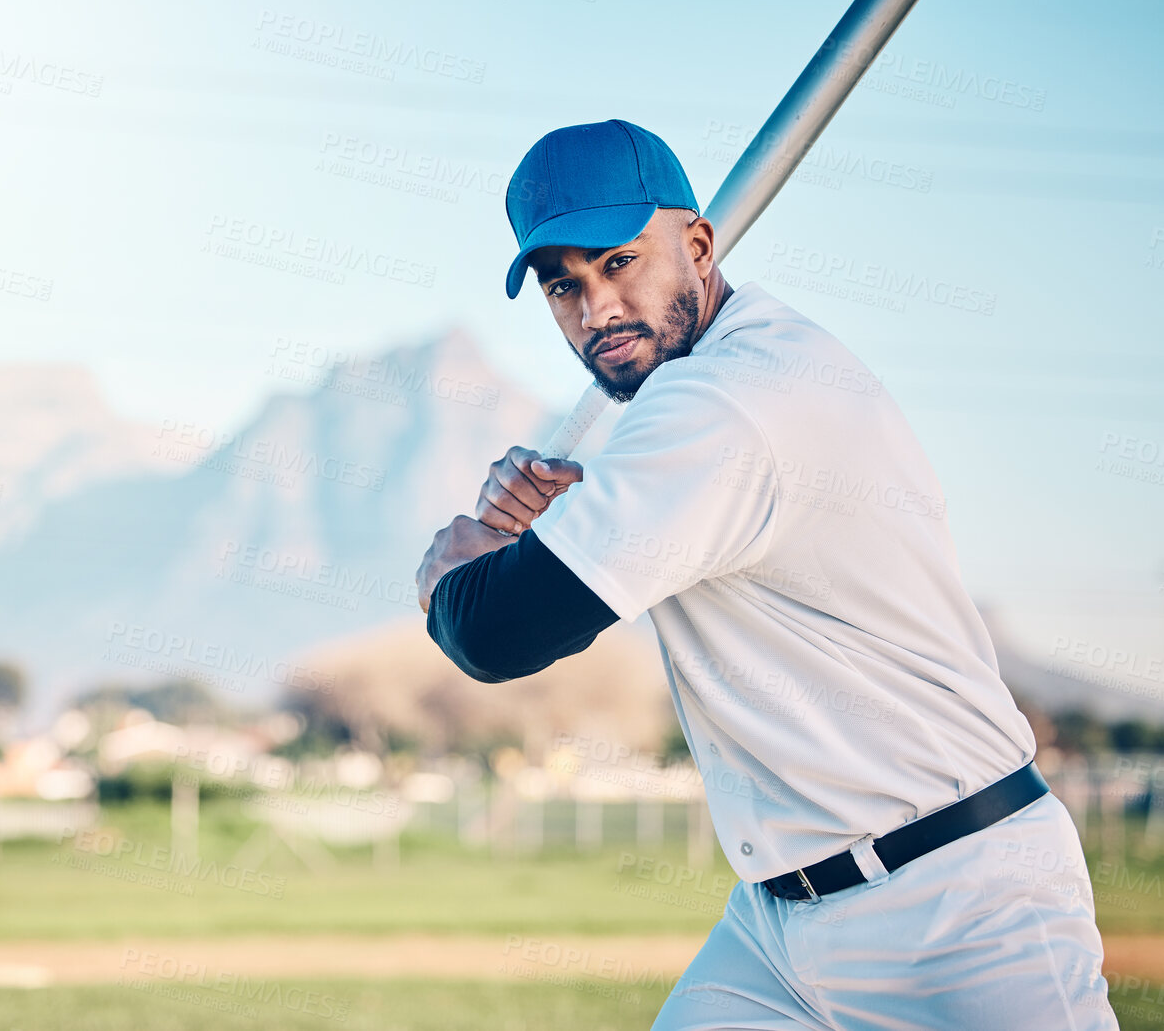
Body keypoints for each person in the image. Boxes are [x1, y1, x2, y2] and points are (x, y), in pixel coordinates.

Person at [415, 119, 1118, 1029]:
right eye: (564, 285)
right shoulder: (733, 374)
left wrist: (453, 568)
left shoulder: (724, 401)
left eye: (619, 262)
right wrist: (554, 526)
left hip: (958, 902)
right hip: (779, 925)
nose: (595, 311)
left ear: (698, 245)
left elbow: (495, 632)